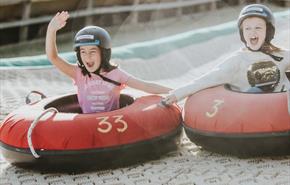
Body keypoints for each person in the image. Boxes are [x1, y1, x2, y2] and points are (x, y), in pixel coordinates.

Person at [162, 4, 290, 112]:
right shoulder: (237, 60)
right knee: (255, 89)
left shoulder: (281, 55)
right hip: (254, 111)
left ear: (268, 32)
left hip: (282, 107)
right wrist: (177, 94)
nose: (253, 32)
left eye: (258, 28)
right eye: (248, 28)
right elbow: (208, 78)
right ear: (242, 33)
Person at [46, 11, 171, 114]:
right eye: (83, 52)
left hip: (112, 124)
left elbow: (145, 86)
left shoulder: (116, 74)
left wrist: (173, 92)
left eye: (93, 52)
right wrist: (51, 30)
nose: (87, 57)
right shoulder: (78, 73)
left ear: (104, 54)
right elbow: (53, 57)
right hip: (86, 125)